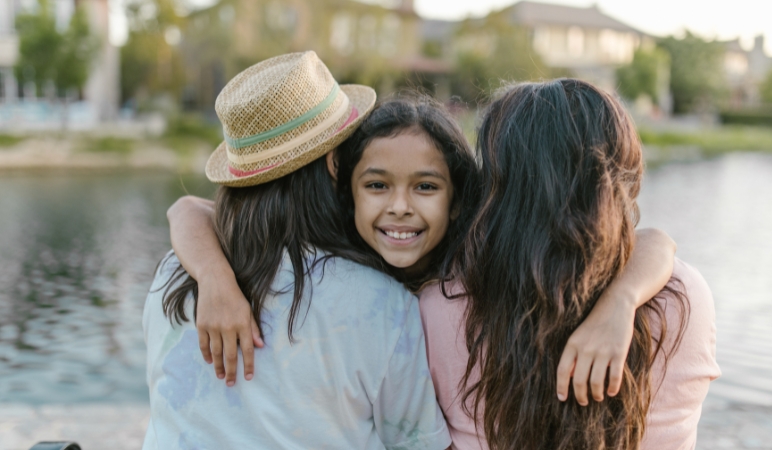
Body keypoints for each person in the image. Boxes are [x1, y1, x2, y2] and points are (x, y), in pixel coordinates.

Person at [170, 91, 679, 408]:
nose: (399, 208)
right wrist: (215, 277)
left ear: (459, 200)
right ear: (343, 190)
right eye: (375, 186)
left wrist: (622, 298)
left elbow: (656, 240)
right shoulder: (346, 269)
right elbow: (188, 209)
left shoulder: (474, 267)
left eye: (426, 188)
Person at [142, 52, 451, 449]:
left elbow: (188, 209)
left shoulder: (173, 271)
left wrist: (215, 274)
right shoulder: (381, 304)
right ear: (334, 162)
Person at [420, 79, 720, 449]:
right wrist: (622, 298)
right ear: (618, 181)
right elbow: (655, 242)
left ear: (498, 187)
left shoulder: (441, 305)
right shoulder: (682, 300)